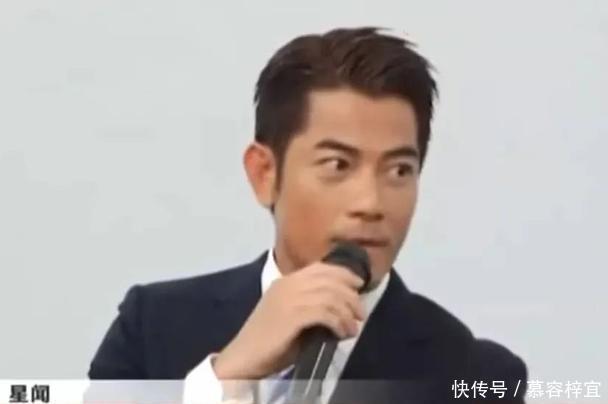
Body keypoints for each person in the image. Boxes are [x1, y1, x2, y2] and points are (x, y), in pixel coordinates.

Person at [88, 27, 528, 403]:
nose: (371, 203)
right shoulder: (152, 327)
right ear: (264, 173)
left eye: (398, 170)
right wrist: (226, 378)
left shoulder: (474, 374)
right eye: (338, 165)